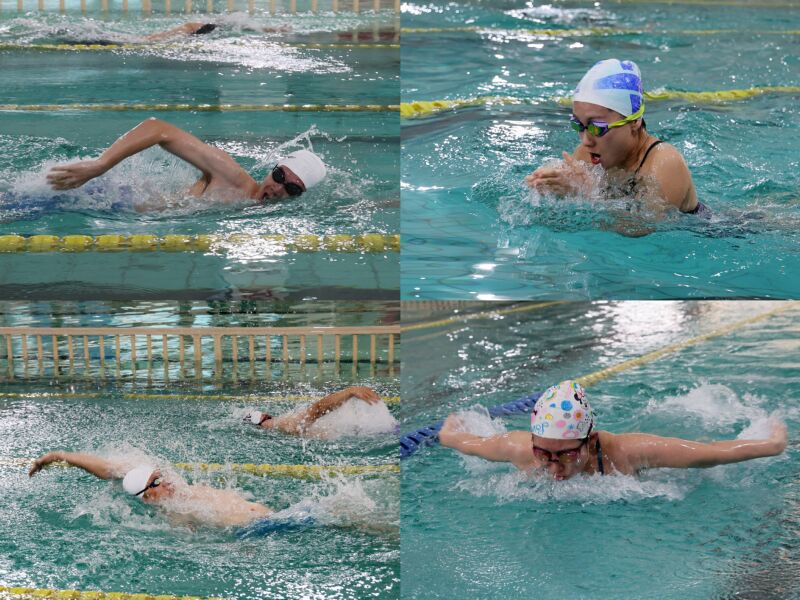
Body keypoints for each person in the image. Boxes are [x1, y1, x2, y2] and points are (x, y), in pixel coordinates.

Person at [438, 380, 787, 481]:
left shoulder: (627, 453)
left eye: (566, 454)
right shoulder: (518, 450)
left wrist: (770, 444)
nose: (553, 466)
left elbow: (706, 454)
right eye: (543, 453)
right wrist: (450, 432)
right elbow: (464, 441)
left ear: (590, 441)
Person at [525, 59, 711, 218]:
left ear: (634, 121)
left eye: (597, 128)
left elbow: (645, 231)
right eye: (578, 125)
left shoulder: (664, 162)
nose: (586, 141)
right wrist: (553, 189)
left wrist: (587, 194)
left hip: (708, 233)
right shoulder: (586, 154)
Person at [46, 118, 326, 204]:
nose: (278, 188)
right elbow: (158, 129)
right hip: (97, 194)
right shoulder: (232, 177)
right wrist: (100, 165)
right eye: (280, 177)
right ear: (272, 170)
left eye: (292, 188)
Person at [28, 452, 272, 528]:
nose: (165, 482)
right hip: (258, 529)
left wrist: (58, 455)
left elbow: (109, 468)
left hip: (267, 515)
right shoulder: (176, 515)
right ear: (147, 497)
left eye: (160, 477)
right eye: (156, 483)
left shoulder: (177, 491)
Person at [243, 386, 388, 436]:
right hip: (365, 432)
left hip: (362, 433)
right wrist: (350, 392)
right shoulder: (283, 423)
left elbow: (316, 410)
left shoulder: (282, 425)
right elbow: (317, 409)